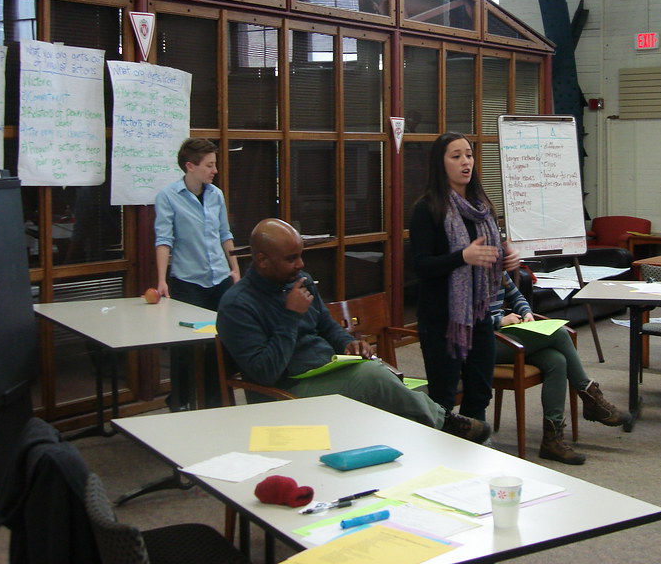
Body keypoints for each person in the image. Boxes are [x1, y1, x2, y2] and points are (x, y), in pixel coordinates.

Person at [216, 218, 490, 442]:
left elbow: (326, 326)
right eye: (291, 259)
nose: (301, 265)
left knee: (377, 374)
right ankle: (445, 425)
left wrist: (347, 343)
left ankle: (435, 435)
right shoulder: (237, 306)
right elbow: (264, 372)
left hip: (326, 369)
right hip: (285, 389)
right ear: (262, 261)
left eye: (301, 255)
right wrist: (289, 316)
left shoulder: (300, 281)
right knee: (374, 379)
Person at [409, 132, 520, 423]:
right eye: (456, 156)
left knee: (480, 392)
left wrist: (508, 259)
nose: (465, 162)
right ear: (440, 163)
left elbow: (492, 255)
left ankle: (475, 449)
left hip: (479, 314)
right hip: (441, 319)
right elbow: (420, 266)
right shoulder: (427, 208)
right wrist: (462, 258)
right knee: (443, 396)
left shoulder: (483, 209)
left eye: (468, 155)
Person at [491, 272, 626, 465]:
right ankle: (590, 397)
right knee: (560, 334)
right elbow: (463, 318)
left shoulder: (497, 267)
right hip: (483, 342)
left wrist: (526, 313)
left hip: (506, 337)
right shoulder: (469, 272)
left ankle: (551, 440)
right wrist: (500, 321)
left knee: (557, 360)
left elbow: (516, 296)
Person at [154, 138, 240, 410]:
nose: (214, 170)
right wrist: (161, 280)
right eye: (209, 165)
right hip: (188, 281)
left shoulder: (216, 195)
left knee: (225, 339)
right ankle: (179, 399)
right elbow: (164, 239)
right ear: (190, 166)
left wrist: (235, 268)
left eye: (214, 164)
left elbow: (225, 234)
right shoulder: (168, 196)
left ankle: (215, 398)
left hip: (219, 277)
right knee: (186, 345)